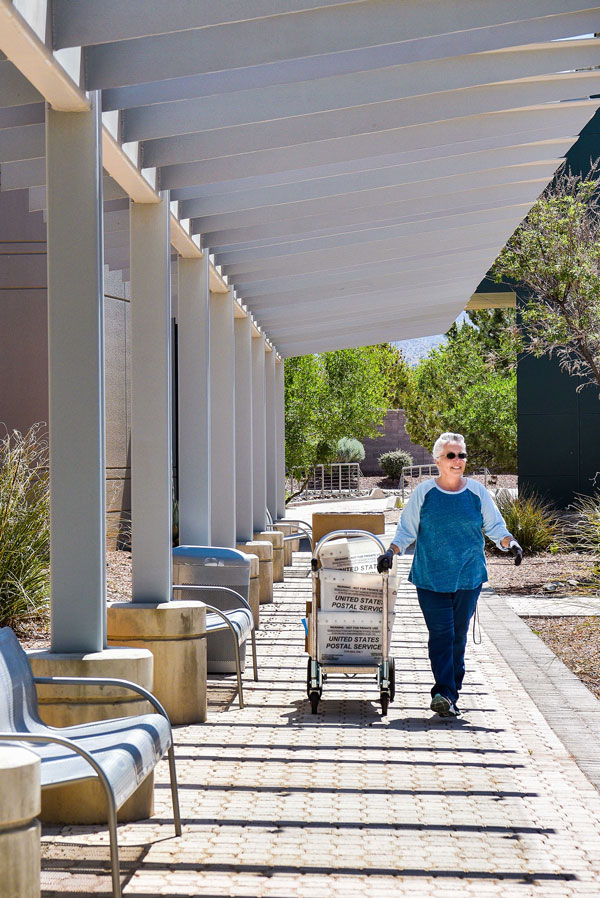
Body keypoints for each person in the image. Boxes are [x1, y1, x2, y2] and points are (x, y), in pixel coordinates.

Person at [377, 432, 522, 718]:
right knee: (442, 635)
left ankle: (449, 694)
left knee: (458, 637)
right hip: (431, 577)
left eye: (462, 455)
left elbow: (495, 527)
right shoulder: (424, 492)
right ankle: (444, 692)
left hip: (468, 577)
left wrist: (511, 544)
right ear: (437, 461)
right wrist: (390, 552)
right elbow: (407, 530)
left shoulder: (477, 492)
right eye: (451, 456)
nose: (458, 461)